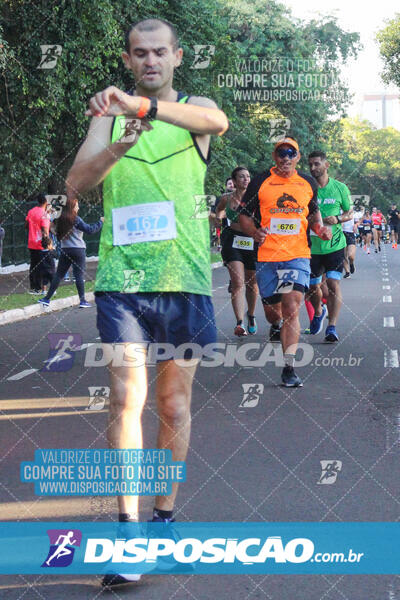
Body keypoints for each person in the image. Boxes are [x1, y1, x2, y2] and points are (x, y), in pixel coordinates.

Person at [65, 18, 228, 587]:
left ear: (177, 57)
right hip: (122, 280)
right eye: (140, 53)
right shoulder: (107, 115)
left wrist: (144, 110)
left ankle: (165, 520)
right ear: (129, 58)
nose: (151, 60)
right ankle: (129, 534)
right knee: (123, 398)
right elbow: (77, 181)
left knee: (174, 406)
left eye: (160, 52)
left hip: (182, 278)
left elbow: (217, 121)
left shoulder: (193, 109)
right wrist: (117, 142)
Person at [239, 137, 331, 387]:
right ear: (274, 156)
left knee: (292, 306)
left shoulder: (307, 182)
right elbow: (245, 217)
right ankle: (275, 324)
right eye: (281, 153)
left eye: (291, 153)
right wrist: (253, 232)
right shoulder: (260, 181)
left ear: (298, 157)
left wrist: (319, 229)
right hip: (267, 256)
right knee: (273, 312)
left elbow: (313, 213)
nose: (286, 158)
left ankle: (289, 367)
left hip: (297, 254)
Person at [306, 151, 353, 343]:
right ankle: (318, 311)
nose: (313, 168)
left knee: (333, 284)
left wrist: (338, 218)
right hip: (311, 247)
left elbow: (349, 212)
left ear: (327, 165)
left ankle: (332, 327)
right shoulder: (306, 188)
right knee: (312, 287)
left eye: (317, 164)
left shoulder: (339, 188)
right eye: (310, 164)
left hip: (334, 245)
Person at [38, 198, 103, 308]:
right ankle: (82, 301)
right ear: (72, 207)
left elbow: (52, 229)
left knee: (58, 275)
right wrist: (100, 222)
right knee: (79, 275)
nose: (78, 207)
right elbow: (90, 230)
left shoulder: (60, 220)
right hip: (78, 250)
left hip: (65, 250)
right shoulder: (76, 219)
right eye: (76, 205)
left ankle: (46, 299)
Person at [217, 166, 258, 335]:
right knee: (237, 283)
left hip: (252, 241)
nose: (245, 179)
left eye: (248, 176)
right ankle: (239, 323)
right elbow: (218, 211)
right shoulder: (227, 198)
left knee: (252, 284)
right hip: (232, 241)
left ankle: (251, 315)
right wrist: (218, 220)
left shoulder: (257, 198)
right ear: (234, 181)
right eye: (241, 177)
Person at [25, 193, 50, 294]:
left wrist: (32, 230)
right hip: (41, 243)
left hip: (31, 242)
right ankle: (41, 288)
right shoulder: (44, 214)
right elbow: (44, 230)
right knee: (42, 266)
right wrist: (48, 242)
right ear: (46, 201)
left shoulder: (31, 211)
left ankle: (33, 288)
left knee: (33, 265)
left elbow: (26, 225)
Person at [342, 210, 357, 278]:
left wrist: (356, 225)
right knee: (343, 255)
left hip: (350, 233)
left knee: (351, 256)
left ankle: (351, 263)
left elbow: (359, 221)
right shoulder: (336, 209)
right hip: (341, 233)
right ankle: (347, 272)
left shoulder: (352, 210)